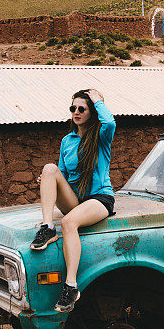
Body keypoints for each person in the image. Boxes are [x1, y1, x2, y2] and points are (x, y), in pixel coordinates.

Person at [30, 88, 116, 313]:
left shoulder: (100, 136)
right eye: (73, 108)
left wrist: (98, 99)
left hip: (99, 199)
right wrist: (50, 179)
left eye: (82, 108)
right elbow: (65, 176)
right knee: (49, 169)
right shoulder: (67, 140)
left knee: (69, 223)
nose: (76, 112)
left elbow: (110, 123)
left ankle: (71, 286)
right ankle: (47, 227)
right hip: (76, 198)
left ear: (91, 112)